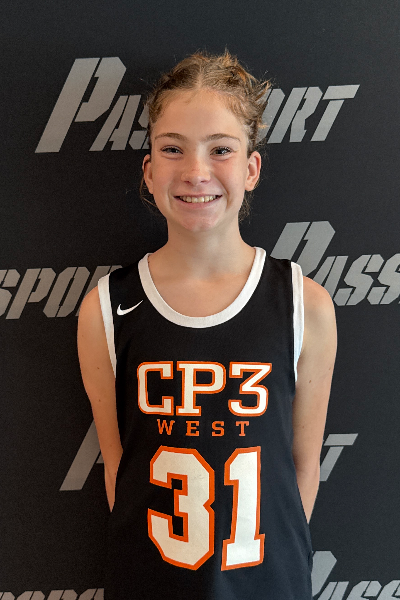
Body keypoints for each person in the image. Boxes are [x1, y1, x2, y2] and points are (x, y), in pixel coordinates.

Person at [77, 49, 337, 600]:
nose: (196, 172)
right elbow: (118, 468)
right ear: (149, 170)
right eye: (172, 149)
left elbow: (302, 469)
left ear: (251, 168)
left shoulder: (304, 304)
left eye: (220, 149)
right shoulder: (105, 308)